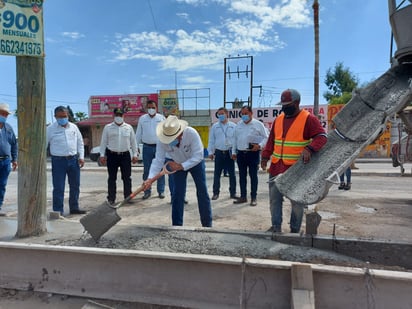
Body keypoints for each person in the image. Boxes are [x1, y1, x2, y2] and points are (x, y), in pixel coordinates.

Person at [261, 89, 327, 233]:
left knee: (297, 202)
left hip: (296, 170)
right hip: (276, 168)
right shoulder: (278, 119)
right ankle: (276, 227)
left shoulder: (308, 119)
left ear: (297, 103)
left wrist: (309, 149)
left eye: (287, 104)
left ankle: (294, 230)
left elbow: (322, 136)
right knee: (274, 200)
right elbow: (272, 140)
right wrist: (265, 156)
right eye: (282, 104)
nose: (284, 107)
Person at [143, 115, 212, 227]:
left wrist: (182, 166)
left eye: (173, 138)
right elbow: (158, 161)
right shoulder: (162, 140)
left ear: (180, 133)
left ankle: (207, 225)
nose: (170, 141)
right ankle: (177, 226)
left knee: (202, 192)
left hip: (195, 163)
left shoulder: (192, 133)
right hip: (176, 163)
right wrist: (150, 178)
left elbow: (199, 155)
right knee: (177, 194)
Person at [46, 106, 86, 215]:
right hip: (58, 161)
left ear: (67, 115)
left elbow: (80, 143)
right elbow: (44, 145)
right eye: (60, 117)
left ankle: (74, 208)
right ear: (55, 117)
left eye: (65, 116)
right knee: (59, 187)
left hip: (73, 160)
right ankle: (58, 211)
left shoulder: (73, 127)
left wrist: (81, 157)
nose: (63, 119)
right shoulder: (50, 129)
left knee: (75, 186)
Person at [99, 108, 138, 205]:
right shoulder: (108, 127)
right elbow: (103, 142)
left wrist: (135, 154)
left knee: (127, 178)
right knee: (112, 178)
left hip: (125, 155)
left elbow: (133, 142)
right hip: (112, 155)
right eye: (117, 115)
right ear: (113, 116)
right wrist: (102, 155)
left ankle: (128, 197)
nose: (119, 117)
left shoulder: (128, 127)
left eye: (120, 115)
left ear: (123, 116)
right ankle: (111, 198)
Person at [232, 105, 268, 206]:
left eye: (246, 113)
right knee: (242, 176)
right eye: (242, 114)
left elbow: (266, 137)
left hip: (253, 154)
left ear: (251, 113)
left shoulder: (258, 124)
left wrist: (259, 145)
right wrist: (234, 152)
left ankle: (253, 197)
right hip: (241, 154)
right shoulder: (238, 125)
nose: (244, 116)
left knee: (253, 176)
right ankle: (243, 197)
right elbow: (234, 139)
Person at [135, 100, 166, 199]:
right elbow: (138, 133)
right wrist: (136, 147)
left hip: (159, 147)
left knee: (160, 170)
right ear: (146, 108)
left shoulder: (161, 118)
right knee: (147, 170)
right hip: (147, 147)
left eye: (153, 107)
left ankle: (161, 191)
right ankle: (147, 191)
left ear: (156, 108)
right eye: (149, 107)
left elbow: (165, 133)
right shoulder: (142, 119)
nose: (151, 109)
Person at [207, 107, 237, 200]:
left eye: (222, 114)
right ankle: (216, 193)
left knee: (232, 174)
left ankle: (233, 193)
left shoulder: (233, 126)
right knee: (217, 174)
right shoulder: (215, 126)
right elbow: (211, 140)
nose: (221, 116)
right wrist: (210, 152)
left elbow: (236, 140)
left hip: (230, 152)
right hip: (219, 152)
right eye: (219, 114)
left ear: (227, 114)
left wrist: (235, 152)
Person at [0, 103, 17, 216]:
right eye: (2, 113)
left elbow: (14, 145)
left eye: (6, 114)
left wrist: (14, 159)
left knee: (2, 185)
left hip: (5, 161)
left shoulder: (9, 128)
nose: (4, 116)